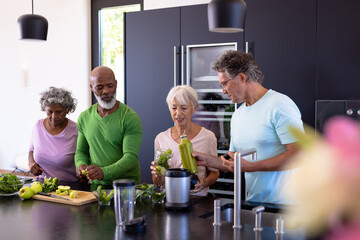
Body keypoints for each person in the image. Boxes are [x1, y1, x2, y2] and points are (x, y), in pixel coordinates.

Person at [193, 50, 304, 204]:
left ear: (242, 77)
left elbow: (298, 154)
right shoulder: (238, 115)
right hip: (254, 203)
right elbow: (231, 161)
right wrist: (206, 160)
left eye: (225, 83)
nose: (223, 91)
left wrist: (251, 167)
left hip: (287, 207)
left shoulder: (280, 105)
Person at [75, 66, 142, 185]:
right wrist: (81, 165)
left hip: (126, 187)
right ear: (91, 87)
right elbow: (81, 151)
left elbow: (130, 157)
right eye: (99, 87)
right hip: (96, 187)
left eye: (110, 86)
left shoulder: (129, 117)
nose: (106, 91)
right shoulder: (84, 117)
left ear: (116, 84)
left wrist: (103, 172)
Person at [150, 85, 220, 197]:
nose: (178, 113)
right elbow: (158, 182)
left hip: (198, 200)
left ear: (194, 108)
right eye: (174, 108)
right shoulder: (161, 138)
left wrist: (205, 182)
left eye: (183, 108)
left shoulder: (208, 137)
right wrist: (157, 174)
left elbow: (215, 172)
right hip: (169, 199)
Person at [28, 87, 78, 181]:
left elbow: (84, 157)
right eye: (50, 112)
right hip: (43, 183)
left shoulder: (76, 130)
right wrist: (31, 163)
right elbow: (31, 149)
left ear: (67, 110)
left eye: (59, 112)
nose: (54, 117)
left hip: (69, 186)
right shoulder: (38, 126)